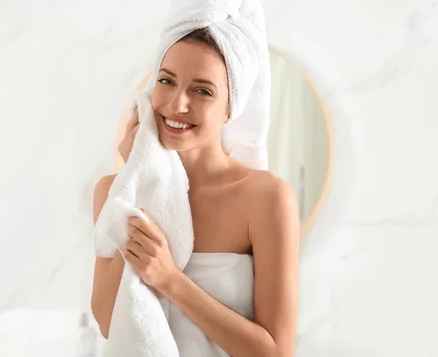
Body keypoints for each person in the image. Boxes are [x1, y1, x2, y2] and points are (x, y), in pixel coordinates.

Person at [91, 26, 299, 357]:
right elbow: (106, 321)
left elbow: (276, 353)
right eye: (166, 81)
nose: (177, 103)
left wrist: (171, 281)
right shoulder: (112, 191)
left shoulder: (266, 197)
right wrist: (138, 181)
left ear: (231, 107)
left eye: (202, 91)